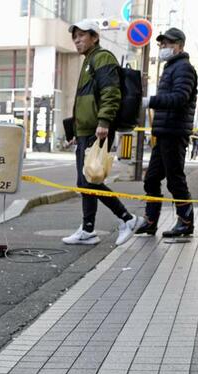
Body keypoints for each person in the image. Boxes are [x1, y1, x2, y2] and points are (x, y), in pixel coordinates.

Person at [63, 18, 142, 247]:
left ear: (95, 37)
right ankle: (88, 229)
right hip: (87, 130)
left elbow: (111, 92)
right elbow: (87, 102)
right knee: (86, 180)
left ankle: (127, 218)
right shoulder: (89, 60)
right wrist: (74, 131)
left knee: (89, 180)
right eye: (75, 37)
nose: (77, 40)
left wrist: (104, 121)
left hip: (97, 130)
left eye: (82, 35)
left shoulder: (102, 57)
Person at [135, 27, 198, 239]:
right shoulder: (171, 68)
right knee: (151, 178)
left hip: (174, 131)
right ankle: (151, 221)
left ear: (179, 46)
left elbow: (180, 97)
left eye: (168, 43)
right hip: (164, 131)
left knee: (175, 179)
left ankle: (186, 222)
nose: (163, 47)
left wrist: (150, 101)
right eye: (161, 44)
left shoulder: (184, 68)